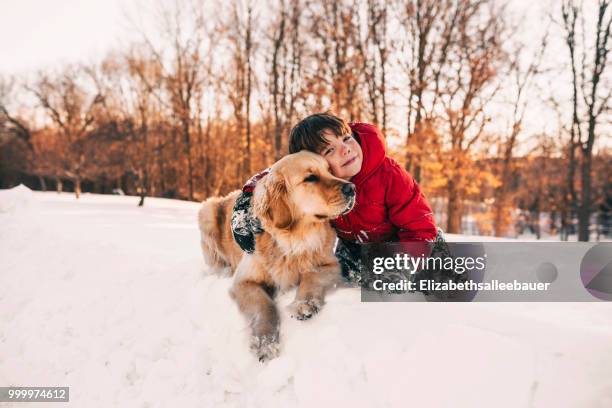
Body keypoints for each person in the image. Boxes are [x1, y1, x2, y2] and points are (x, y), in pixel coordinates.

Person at [231, 112, 463, 294]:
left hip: (410, 240)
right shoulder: (317, 184)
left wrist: (406, 263)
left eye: (346, 138)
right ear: (315, 162)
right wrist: (248, 200)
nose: (346, 149)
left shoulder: (389, 175)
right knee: (345, 277)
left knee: (440, 284)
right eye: (330, 149)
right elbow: (276, 174)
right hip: (355, 246)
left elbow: (417, 224)